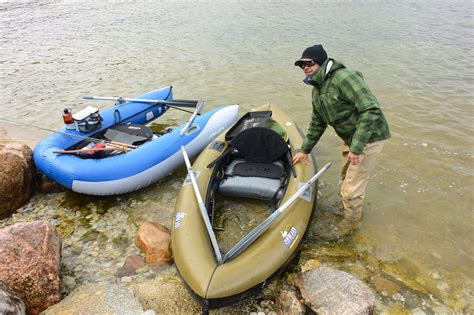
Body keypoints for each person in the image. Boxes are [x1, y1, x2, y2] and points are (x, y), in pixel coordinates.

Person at [292, 44, 390, 234]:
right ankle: (350, 210)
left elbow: (371, 109)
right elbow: (317, 123)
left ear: (321, 62)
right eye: (301, 66)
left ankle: (350, 229)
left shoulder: (344, 78)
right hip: (351, 139)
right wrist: (305, 149)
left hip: (369, 137)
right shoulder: (318, 89)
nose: (305, 68)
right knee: (346, 179)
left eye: (309, 63)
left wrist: (357, 147)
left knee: (351, 190)